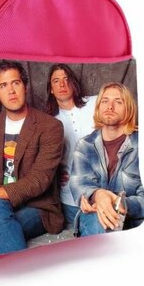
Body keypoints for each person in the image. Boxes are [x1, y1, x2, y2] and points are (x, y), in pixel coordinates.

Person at [0, 60, 65, 254]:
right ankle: (20, 266)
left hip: (37, 207)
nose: (11, 91)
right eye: (3, 86)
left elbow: (39, 180)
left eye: (15, 83)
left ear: (25, 86)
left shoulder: (50, 126)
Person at [69, 82, 144, 236]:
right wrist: (97, 195)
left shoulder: (143, 145)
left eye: (118, 102)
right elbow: (79, 184)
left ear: (129, 108)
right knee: (99, 219)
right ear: (98, 107)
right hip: (93, 217)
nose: (110, 107)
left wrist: (120, 203)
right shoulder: (85, 145)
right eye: (105, 101)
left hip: (133, 223)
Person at [46, 64, 97, 227]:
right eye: (56, 81)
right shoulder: (48, 122)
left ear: (73, 83)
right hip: (71, 198)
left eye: (66, 79)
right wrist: (56, 172)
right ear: (51, 89)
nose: (62, 84)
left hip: (105, 186)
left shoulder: (96, 103)